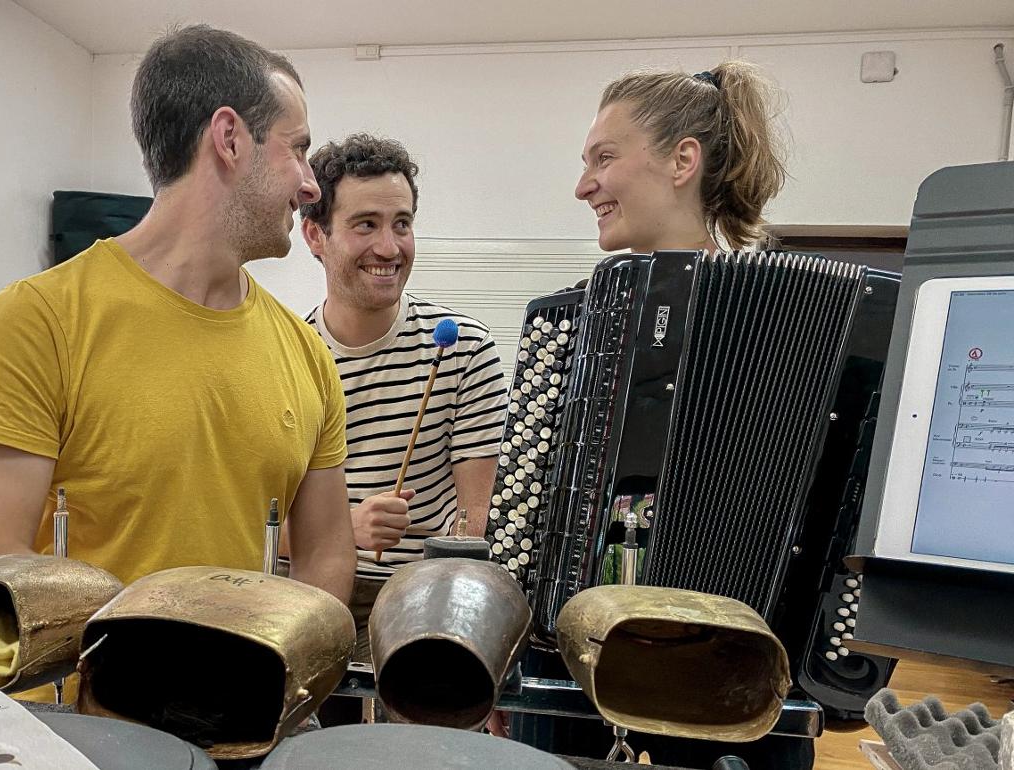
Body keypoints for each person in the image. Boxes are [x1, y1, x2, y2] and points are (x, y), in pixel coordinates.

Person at [0, 25, 355, 603]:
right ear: (229, 138)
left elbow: (328, 552)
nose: (310, 184)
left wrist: (283, 670)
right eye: (299, 148)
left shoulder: (306, 355)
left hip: (250, 694)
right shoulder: (35, 324)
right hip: (73, 696)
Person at [511, 61, 809, 767]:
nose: (584, 184)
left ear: (683, 161)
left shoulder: (785, 314)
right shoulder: (570, 326)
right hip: (581, 681)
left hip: (741, 687)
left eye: (603, 159)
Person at [298, 134, 508, 661]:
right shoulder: (286, 357)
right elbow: (259, 522)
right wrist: (343, 530)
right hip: (312, 599)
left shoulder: (465, 348)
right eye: (365, 224)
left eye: (403, 224)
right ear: (314, 235)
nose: (390, 248)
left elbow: (475, 520)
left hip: (427, 606)